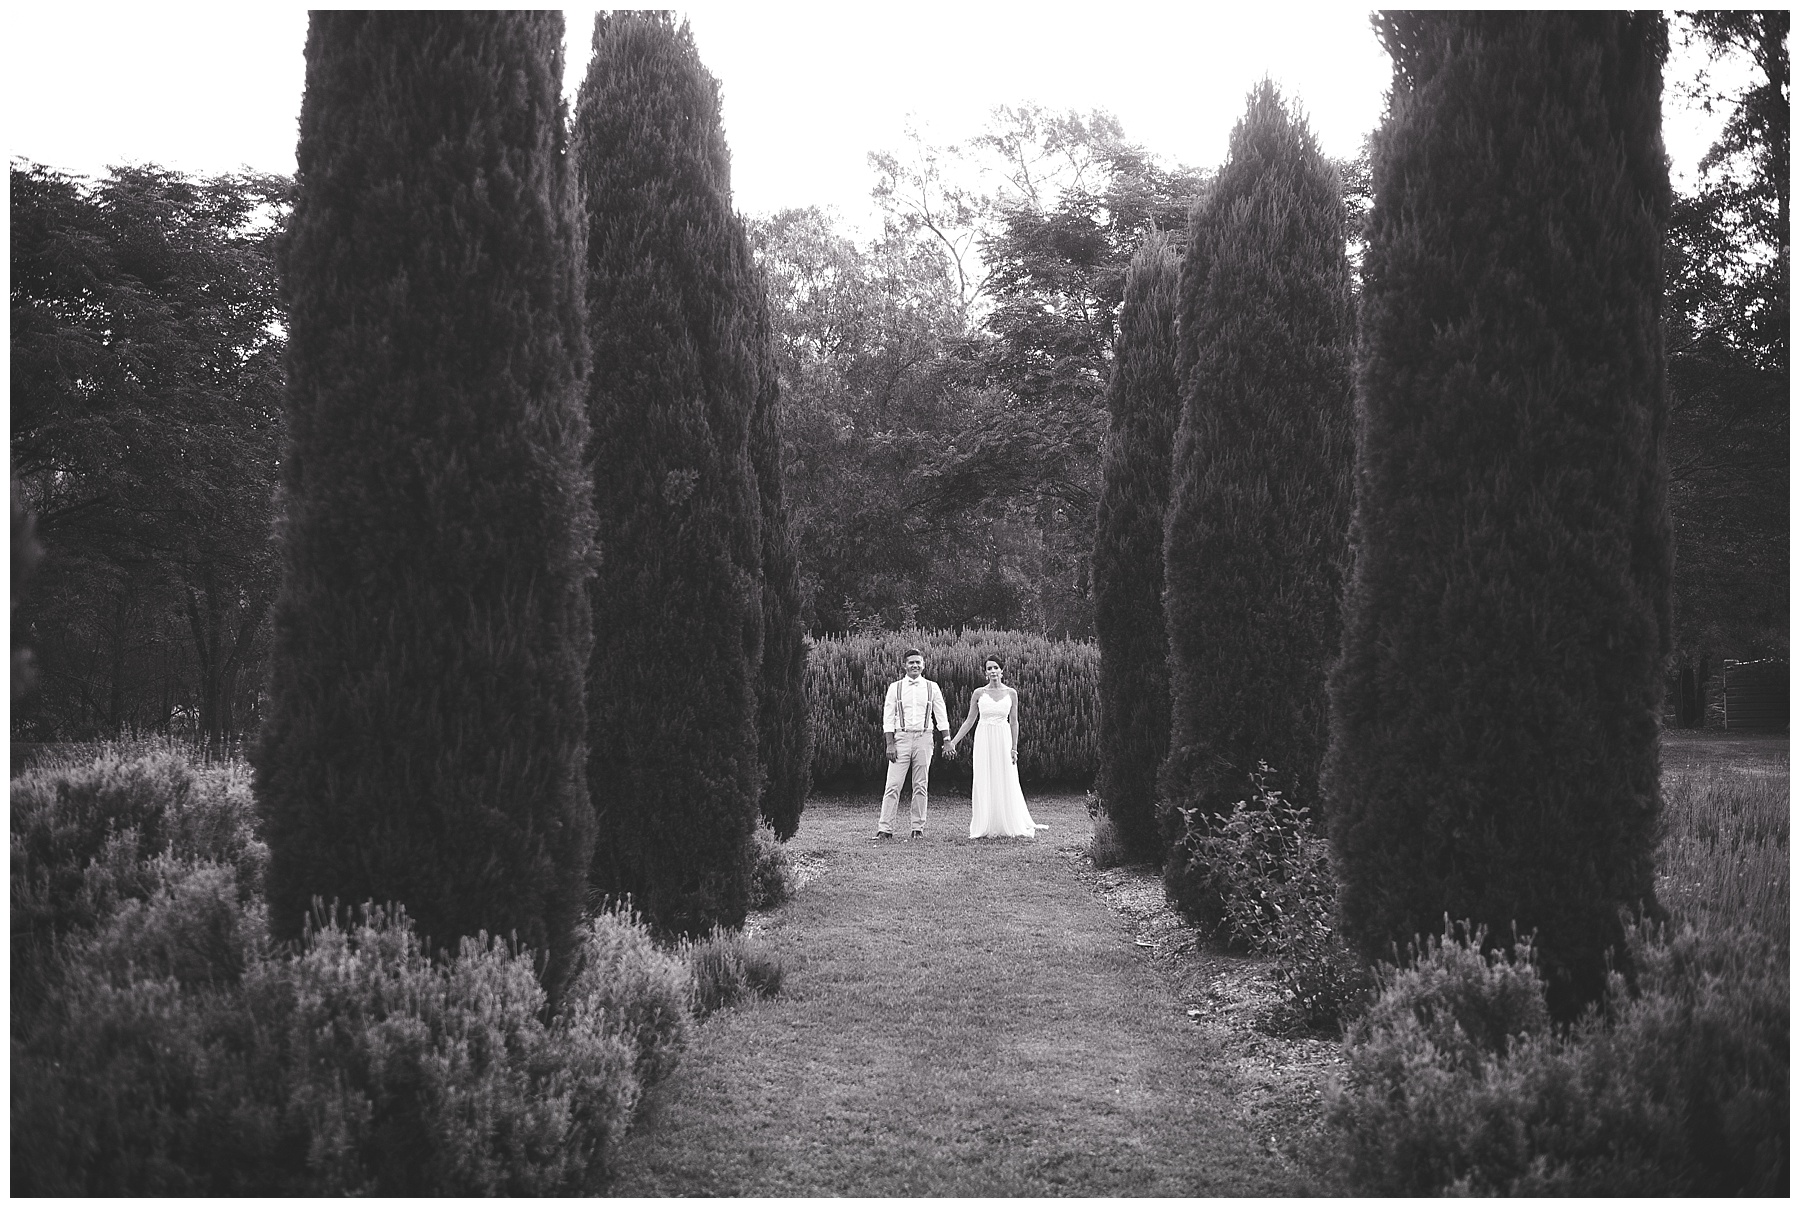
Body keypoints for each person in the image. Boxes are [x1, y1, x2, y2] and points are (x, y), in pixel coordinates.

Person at [945, 655, 1041, 838]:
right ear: (985, 672)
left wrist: (1014, 748)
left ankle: (1007, 821)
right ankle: (986, 823)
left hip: (1003, 738)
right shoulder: (978, 693)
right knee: (984, 776)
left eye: (996, 667)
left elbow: (1014, 722)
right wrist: (953, 742)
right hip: (984, 738)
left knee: (1005, 776)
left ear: (1002, 670)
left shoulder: (1011, 693)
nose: (993, 671)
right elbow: (969, 721)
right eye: (989, 668)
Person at [877, 647, 950, 840]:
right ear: (904, 665)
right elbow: (888, 716)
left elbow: (941, 714)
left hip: (924, 738)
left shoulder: (932, 687)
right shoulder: (895, 687)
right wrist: (890, 743)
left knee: (920, 784)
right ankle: (885, 828)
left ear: (923, 665)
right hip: (901, 738)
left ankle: (917, 828)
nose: (915, 665)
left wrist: (947, 739)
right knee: (893, 784)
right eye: (911, 662)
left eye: (918, 662)